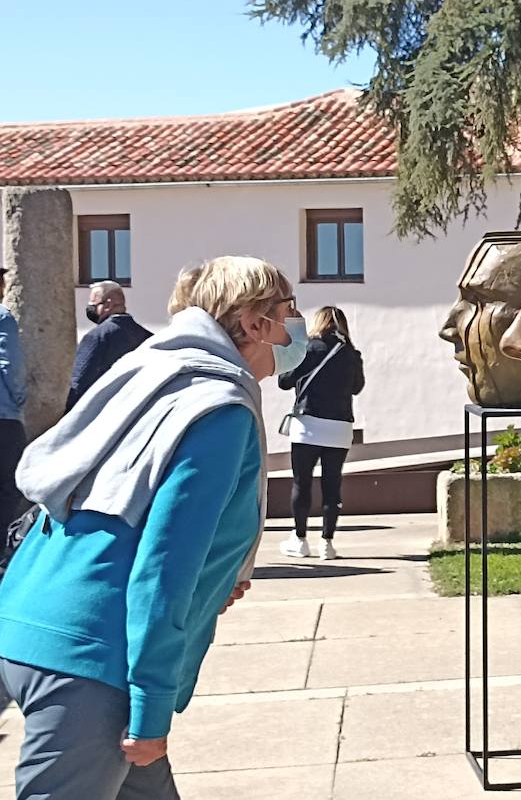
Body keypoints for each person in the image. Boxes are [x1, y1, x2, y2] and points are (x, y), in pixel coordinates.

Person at [0, 256, 308, 798]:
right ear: (256, 323)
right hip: (92, 658)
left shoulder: (154, 373)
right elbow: (163, 569)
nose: (298, 324)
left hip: (31, 617)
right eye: (289, 310)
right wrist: (150, 711)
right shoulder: (219, 408)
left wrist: (221, 579)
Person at [277, 306, 365, 560]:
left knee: (302, 483)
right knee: (332, 484)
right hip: (339, 428)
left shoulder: (308, 349)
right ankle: (327, 543)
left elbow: (284, 381)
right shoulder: (350, 353)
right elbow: (357, 387)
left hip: (308, 426)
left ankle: (300, 539)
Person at [67, 281, 153, 412]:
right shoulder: (148, 337)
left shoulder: (96, 337)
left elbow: (79, 383)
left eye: (93, 304)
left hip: (103, 414)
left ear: (108, 304)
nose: (90, 308)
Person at [0, 267, 26, 530]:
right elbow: (10, 364)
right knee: (9, 486)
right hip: (4, 417)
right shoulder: (3, 317)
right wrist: (20, 399)